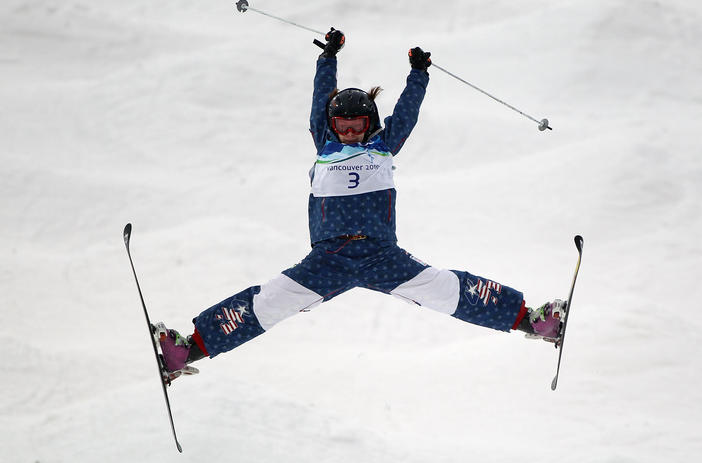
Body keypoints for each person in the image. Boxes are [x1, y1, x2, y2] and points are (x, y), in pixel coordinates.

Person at [156, 29, 566, 375]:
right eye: (342, 127)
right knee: (270, 302)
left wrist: (418, 74)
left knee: (447, 290)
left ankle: (532, 321)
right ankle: (185, 351)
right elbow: (320, 100)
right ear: (332, 126)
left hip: (380, 256)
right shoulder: (324, 143)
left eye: (357, 127)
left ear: (371, 124)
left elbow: (407, 112)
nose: (349, 133)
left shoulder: (384, 146)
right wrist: (328, 58)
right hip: (328, 259)